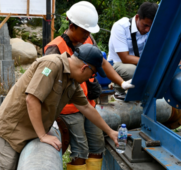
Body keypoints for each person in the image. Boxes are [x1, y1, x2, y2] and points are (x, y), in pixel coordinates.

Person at [0, 44, 119, 170]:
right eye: (93, 73)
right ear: (84, 68)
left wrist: (110, 132)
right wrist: (43, 135)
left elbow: (87, 108)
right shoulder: (51, 64)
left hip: (23, 138)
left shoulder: (71, 82)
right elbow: (32, 99)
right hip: (8, 138)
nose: (91, 78)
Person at [44, 1, 134, 170]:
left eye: (89, 32)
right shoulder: (55, 48)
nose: (87, 35)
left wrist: (121, 82)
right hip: (68, 109)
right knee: (80, 150)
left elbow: (103, 63)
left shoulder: (88, 41)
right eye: (84, 31)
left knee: (97, 145)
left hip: (87, 105)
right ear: (72, 26)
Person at [107, 2, 158, 99]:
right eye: (145, 25)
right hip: (117, 65)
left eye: (151, 26)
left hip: (139, 63)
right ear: (137, 17)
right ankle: (117, 89)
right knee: (135, 72)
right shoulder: (120, 27)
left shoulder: (150, 29)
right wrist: (149, 63)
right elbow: (125, 58)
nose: (148, 30)